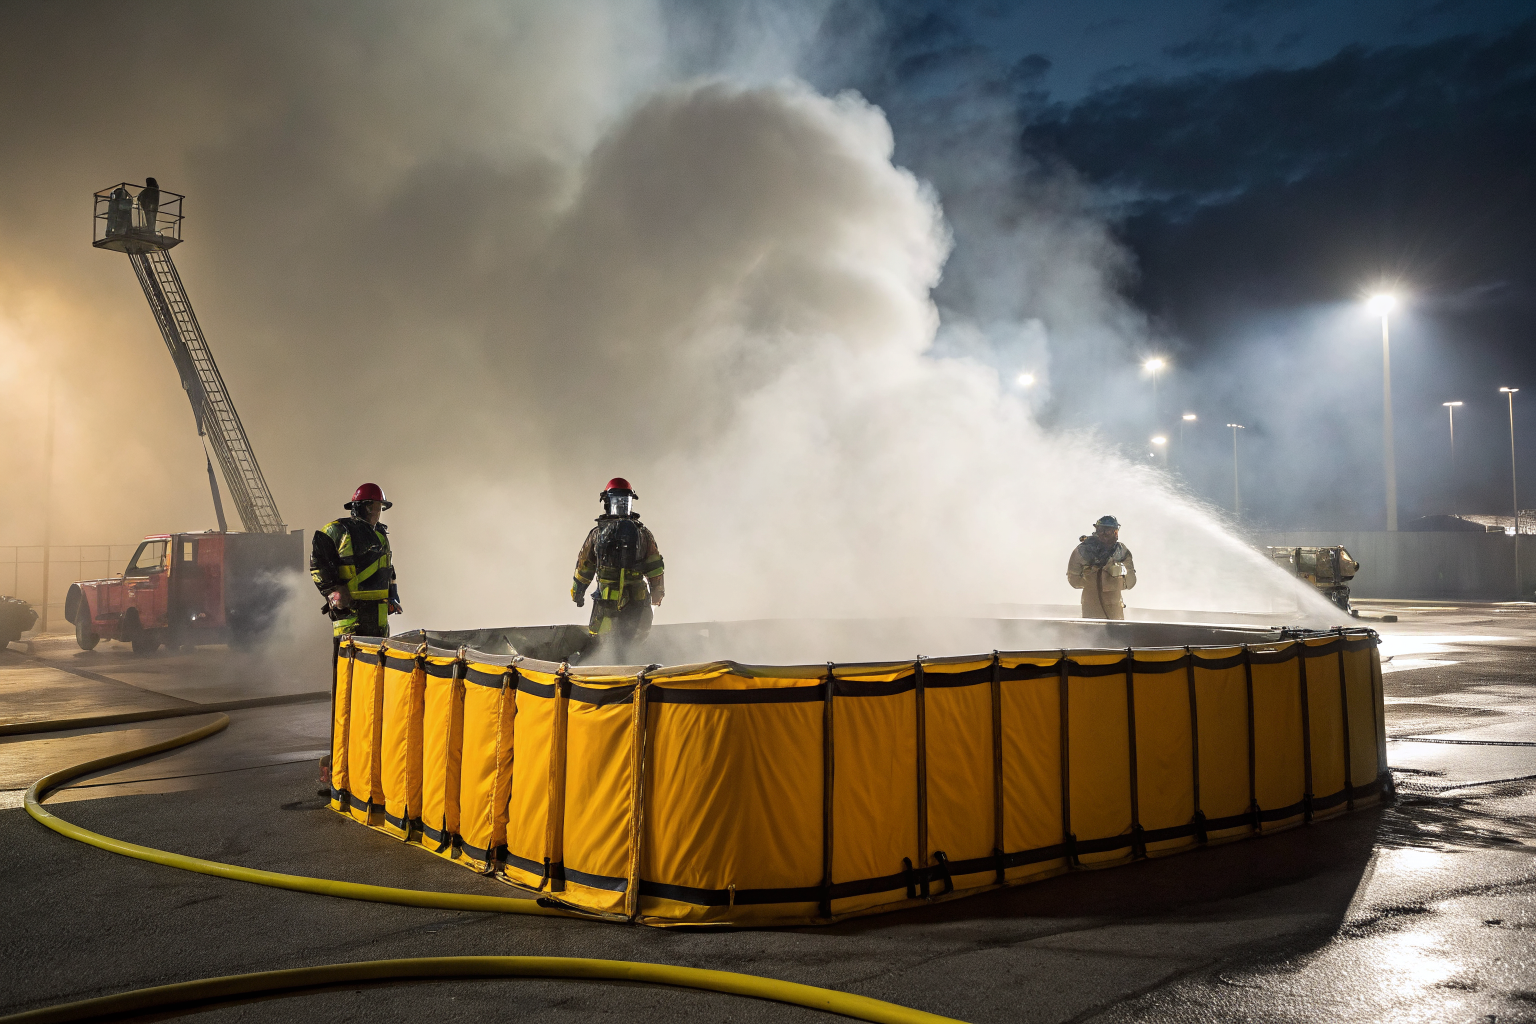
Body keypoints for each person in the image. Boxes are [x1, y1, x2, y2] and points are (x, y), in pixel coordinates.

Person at [571, 478, 665, 643]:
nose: (621, 506)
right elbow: (586, 565)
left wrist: (577, 591)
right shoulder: (600, 535)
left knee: (632, 640)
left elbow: (655, 566)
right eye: (617, 501)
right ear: (608, 503)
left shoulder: (641, 534)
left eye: (624, 502)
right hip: (612, 599)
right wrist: (578, 590)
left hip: (630, 598)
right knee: (605, 640)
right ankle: (612, 663)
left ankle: (625, 663)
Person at [311, 483, 401, 639]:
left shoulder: (380, 534)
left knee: (378, 661)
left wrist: (393, 595)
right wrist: (332, 591)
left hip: (379, 619)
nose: (378, 512)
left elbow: (387, 567)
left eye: (380, 507)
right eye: (375, 507)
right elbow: (319, 562)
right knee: (349, 662)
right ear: (363, 507)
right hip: (350, 617)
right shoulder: (338, 530)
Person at [1067, 515, 1137, 620]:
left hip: (1114, 604)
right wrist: (1091, 583)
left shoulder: (1121, 551)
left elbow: (1131, 580)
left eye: (1108, 531)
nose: (1104, 534)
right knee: (1092, 633)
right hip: (1091, 603)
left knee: (1116, 633)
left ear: (1115, 532)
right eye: (1101, 531)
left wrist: (1116, 584)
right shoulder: (1083, 551)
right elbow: (1073, 578)